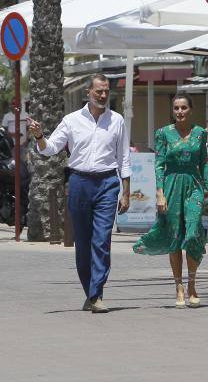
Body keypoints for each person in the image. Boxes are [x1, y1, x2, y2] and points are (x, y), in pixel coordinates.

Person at [28, 74, 131, 314]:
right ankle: (91, 293)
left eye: (106, 91)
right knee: (83, 244)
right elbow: (50, 148)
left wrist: (126, 192)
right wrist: (39, 136)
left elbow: (124, 158)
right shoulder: (71, 120)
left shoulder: (117, 120)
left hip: (107, 182)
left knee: (102, 240)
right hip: (79, 182)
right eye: (99, 91)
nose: (103, 95)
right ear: (88, 93)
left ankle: (96, 294)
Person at [132, 94, 208, 309]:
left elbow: (204, 163)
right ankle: (179, 287)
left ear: (191, 109)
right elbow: (158, 164)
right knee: (175, 236)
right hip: (170, 186)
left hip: (193, 185)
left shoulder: (200, 134)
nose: (180, 112)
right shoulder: (163, 134)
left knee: (194, 230)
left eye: (184, 107)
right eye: (176, 108)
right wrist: (159, 193)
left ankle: (193, 284)